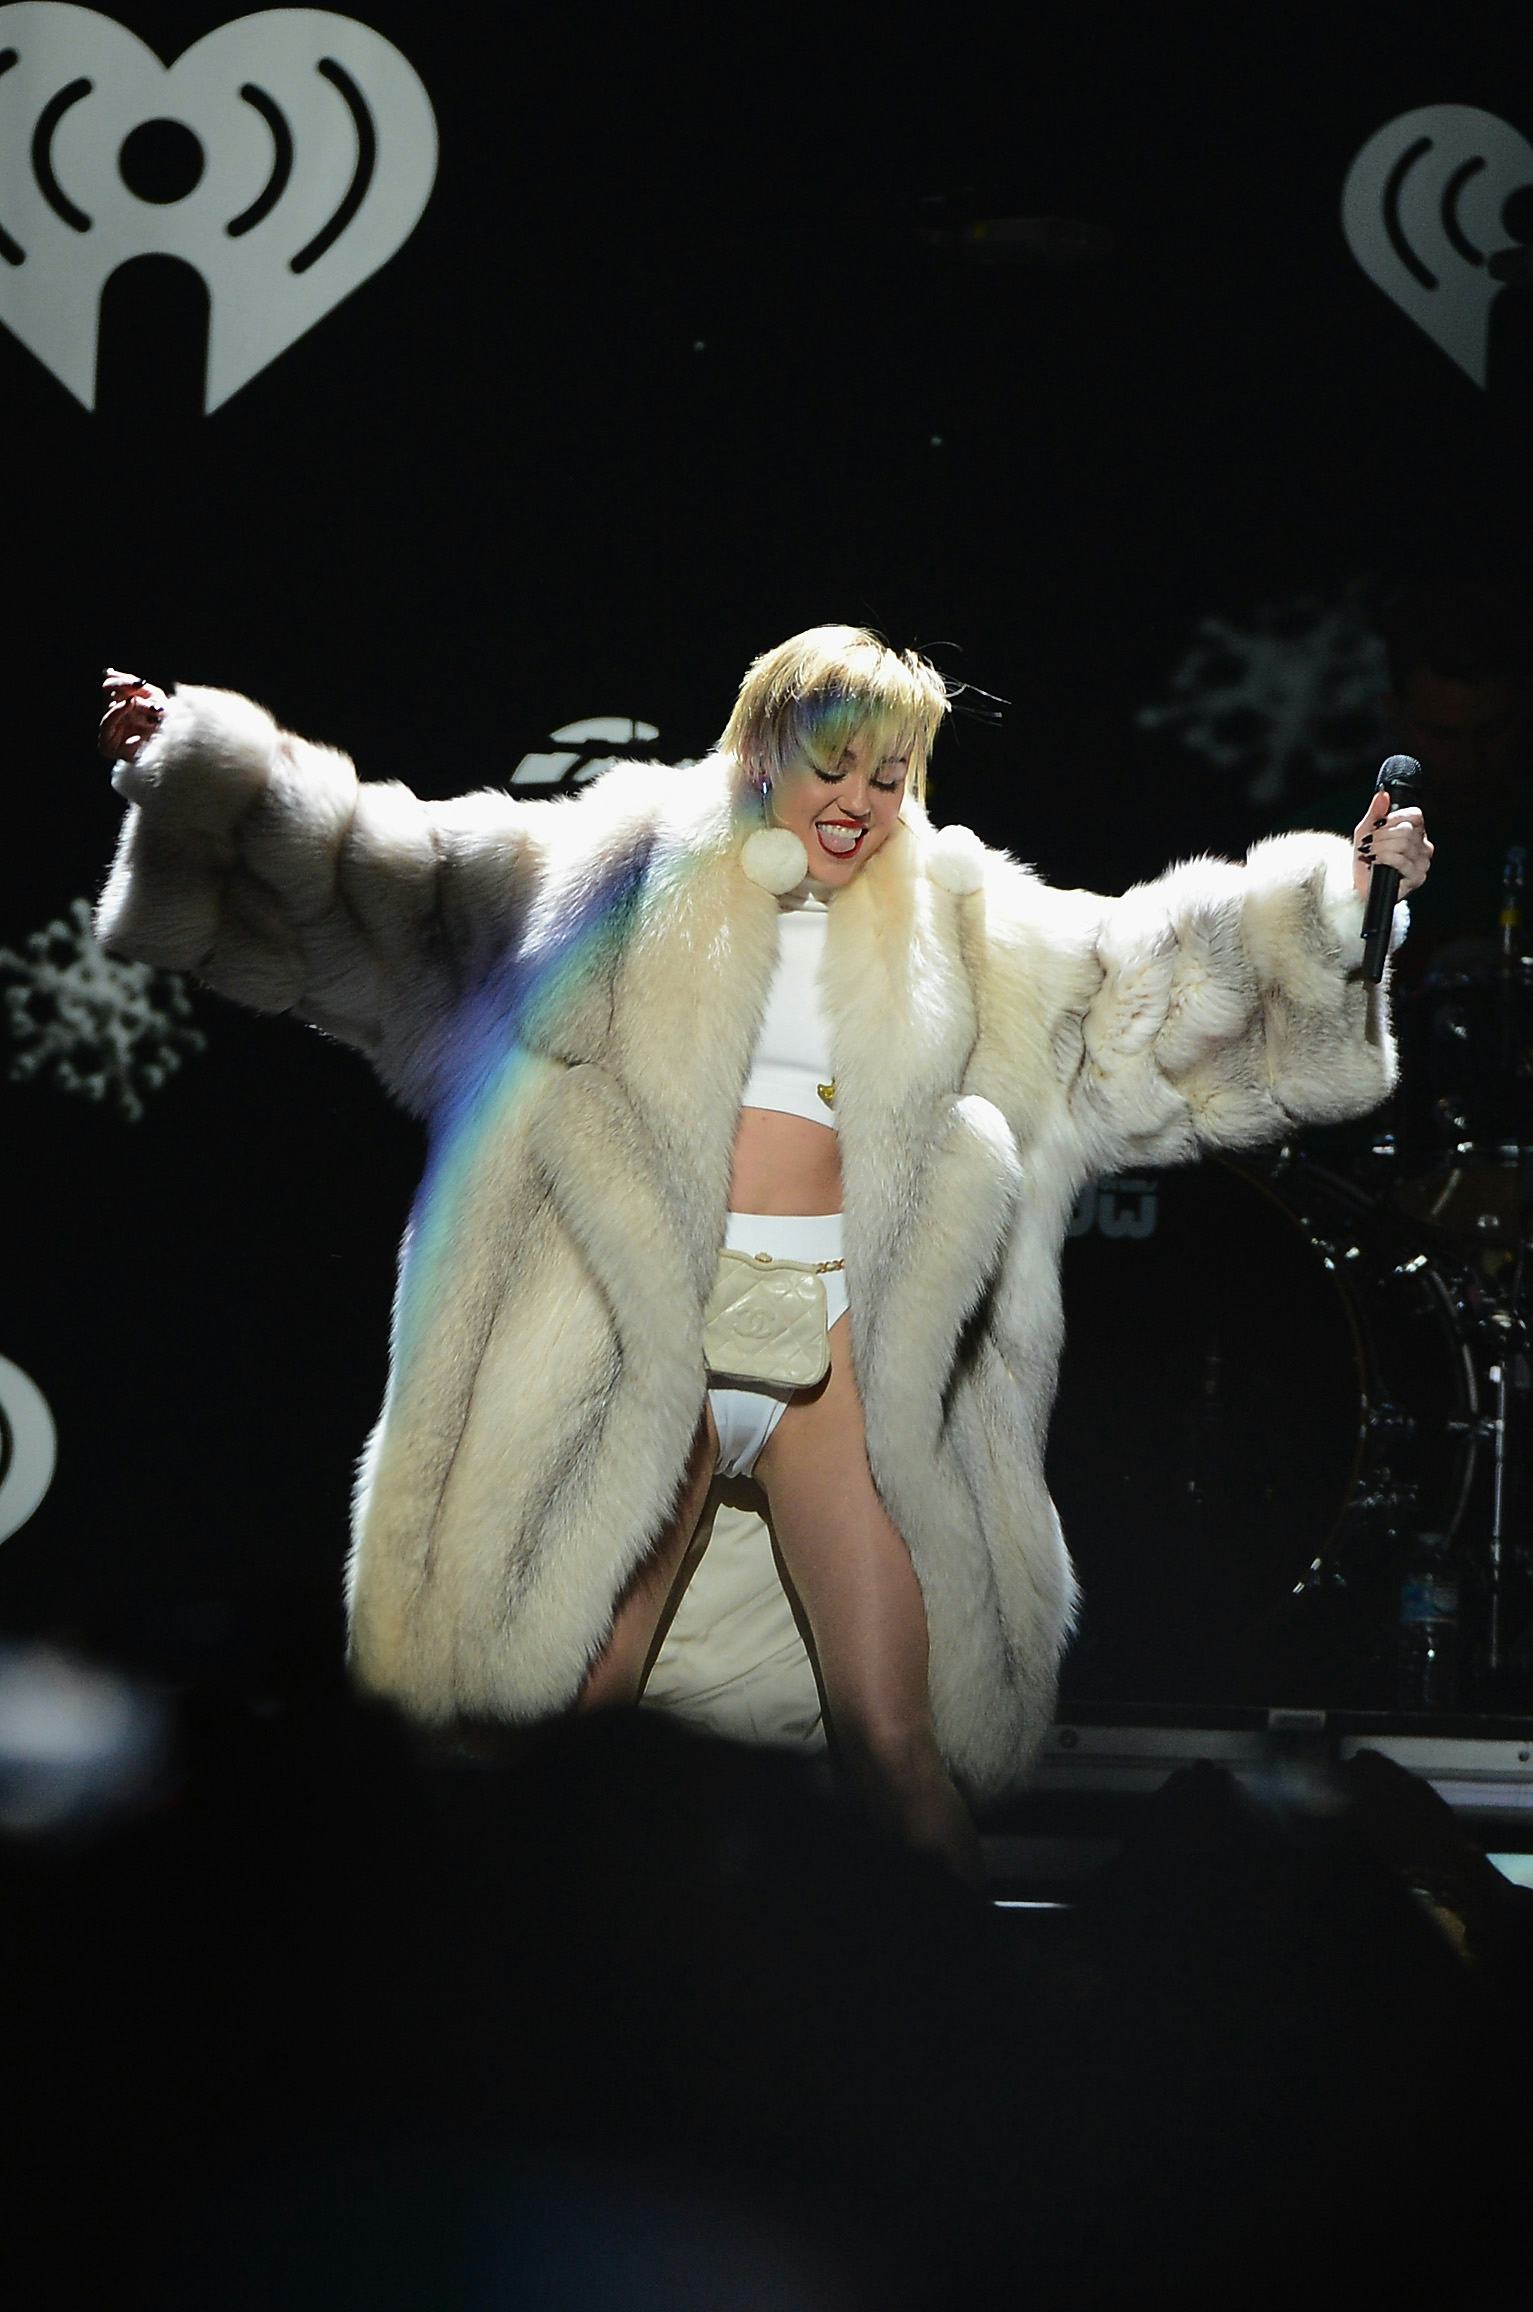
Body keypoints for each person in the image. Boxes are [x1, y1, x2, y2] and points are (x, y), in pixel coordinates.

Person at [95, 628, 1432, 1883]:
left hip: (835, 1350)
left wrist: (1340, 906)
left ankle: (979, 2021)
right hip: (653, 1340)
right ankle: (504, 2002)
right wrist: (206, 773)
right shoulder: (602, 867)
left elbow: (1141, 985)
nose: (860, 801)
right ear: (761, 746)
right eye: (835, 765)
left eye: (890, 776)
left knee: (895, 1739)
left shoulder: (965, 920)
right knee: (574, 1729)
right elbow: (390, 881)